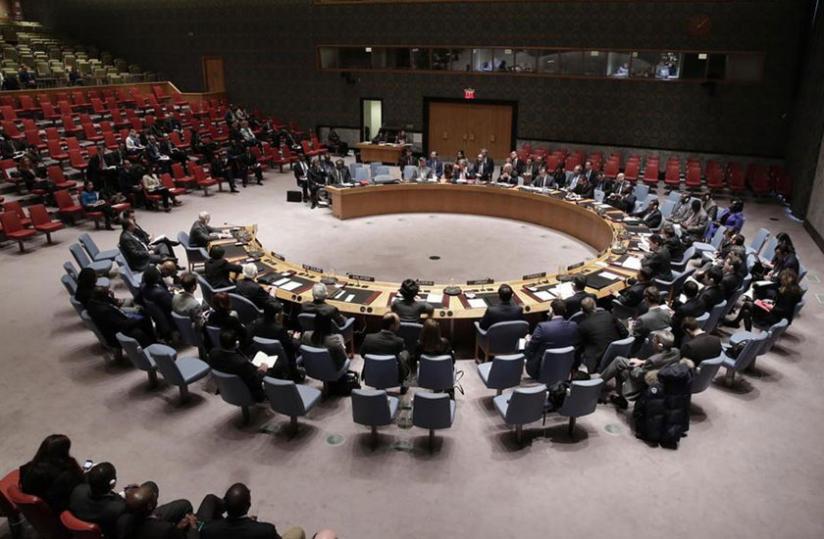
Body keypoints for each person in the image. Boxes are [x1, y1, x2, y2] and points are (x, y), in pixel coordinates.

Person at [597, 329, 681, 409]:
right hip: (661, 379)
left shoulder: (653, 361)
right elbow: (659, 360)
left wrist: (632, 366)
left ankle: (598, 386)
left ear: (660, 346)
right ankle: (601, 385)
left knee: (620, 368)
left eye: (654, 340)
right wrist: (642, 362)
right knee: (619, 361)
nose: (652, 341)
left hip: (644, 382)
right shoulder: (676, 352)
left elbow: (637, 375)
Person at [201, 483, 304, 539]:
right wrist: (253, 525)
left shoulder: (208, 530)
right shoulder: (266, 530)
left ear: (224, 503)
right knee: (298, 531)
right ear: (249, 505)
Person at [116, 483, 213, 539]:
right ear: (150, 506)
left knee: (184, 505)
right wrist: (192, 528)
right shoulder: (165, 530)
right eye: (154, 497)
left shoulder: (122, 520)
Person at [19, 434, 84, 514]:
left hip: (35, 508)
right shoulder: (64, 474)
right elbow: (80, 487)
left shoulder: (28, 466)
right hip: (56, 509)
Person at [727, 269, 803, 330]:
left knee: (748, 306)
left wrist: (770, 306)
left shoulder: (790, 294)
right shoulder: (793, 290)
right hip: (776, 313)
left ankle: (739, 326)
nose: (781, 282)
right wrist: (770, 302)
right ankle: (744, 331)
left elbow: (784, 311)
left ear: (788, 280)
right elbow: (782, 305)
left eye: (783, 280)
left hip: (775, 318)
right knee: (747, 310)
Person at [525, 299, 579, 379]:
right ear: (565, 310)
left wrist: (527, 341)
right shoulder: (574, 326)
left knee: (525, 343)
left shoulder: (542, 327)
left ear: (551, 310)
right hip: (564, 366)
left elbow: (531, 349)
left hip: (540, 369)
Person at [209, 329, 267, 401]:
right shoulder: (241, 363)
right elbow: (255, 382)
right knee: (272, 370)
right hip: (247, 392)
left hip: (226, 389)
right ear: (236, 343)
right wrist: (261, 371)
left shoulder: (213, 353)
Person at [86, 286, 155, 347]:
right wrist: (134, 319)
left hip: (120, 318)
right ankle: (151, 343)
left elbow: (114, 305)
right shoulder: (104, 310)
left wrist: (111, 296)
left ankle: (151, 338)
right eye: (107, 295)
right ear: (103, 297)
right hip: (118, 330)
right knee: (143, 318)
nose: (108, 296)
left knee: (142, 314)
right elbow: (120, 324)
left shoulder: (92, 302)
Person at [248, 301, 299, 382]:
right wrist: (295, 339)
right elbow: (291, 347)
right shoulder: (279, 330)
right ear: (276, 315)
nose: (283, 314)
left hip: (261, 356)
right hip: (278, 362)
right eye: (281, 312)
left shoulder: (256, 323)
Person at [359, 313, 410, 393]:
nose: (399, 325)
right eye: (398, 323)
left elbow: (362, 355)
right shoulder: (399, 342)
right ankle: (403, 384)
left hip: (372, 374)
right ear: (392, 326)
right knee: (405, 354)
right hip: (393, 375)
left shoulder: (368, 338)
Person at [576, 297, 629, 372]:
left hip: (599, 361)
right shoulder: (608, 314)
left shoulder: (582, 325)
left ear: (582, 310)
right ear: (595, 306)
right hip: (619, 354)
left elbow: (580, 348)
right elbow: (624, 333)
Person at [670, 280, 706, 345]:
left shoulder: (683, 309)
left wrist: (672, 314)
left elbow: (673, 323)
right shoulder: (702, 302)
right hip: (692, 330)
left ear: (684, 291)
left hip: (678, 333)